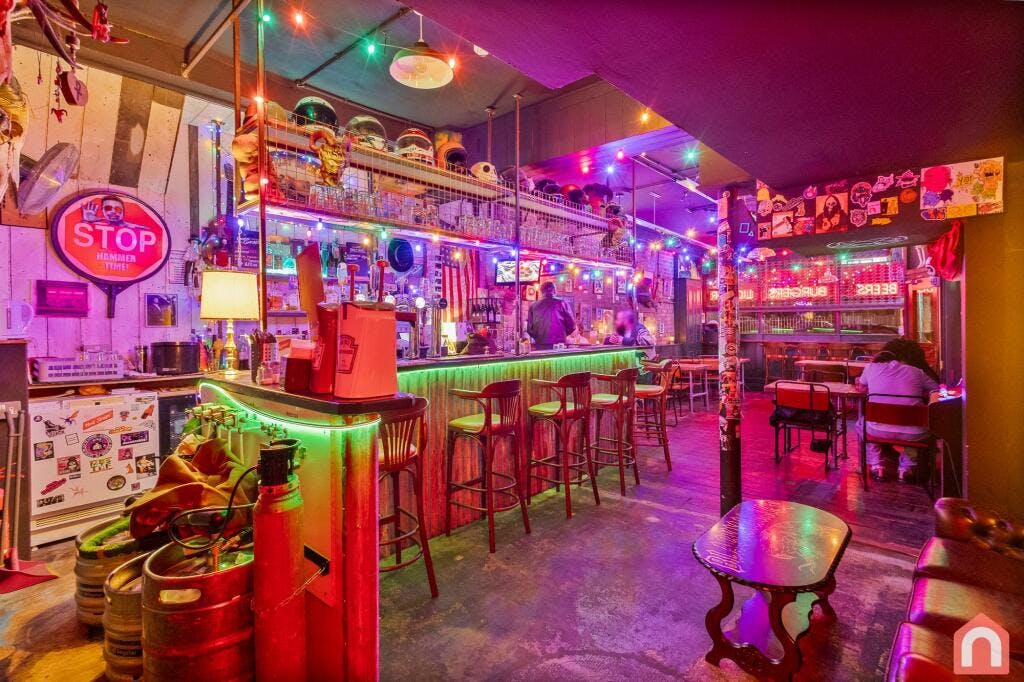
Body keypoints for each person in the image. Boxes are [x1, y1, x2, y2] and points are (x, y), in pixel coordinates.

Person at [857, 338, 939, 483]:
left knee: (861, 424)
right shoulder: (918, 372)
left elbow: (861, 388)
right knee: (922, 426)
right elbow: (937, 389)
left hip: (877, 430)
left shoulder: (871, 368)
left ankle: (875, 465)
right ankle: (906, 467)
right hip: (914, 433)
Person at [526, 280, 576, 350]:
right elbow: (572, 326)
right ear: (554, 291)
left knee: (543, 358)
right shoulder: (562, 303)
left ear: (541, 292)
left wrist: (540, 337)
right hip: (559, 345)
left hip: (540, 345)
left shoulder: (533, 306)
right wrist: (562, 334)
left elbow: (529, 330)